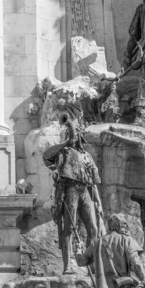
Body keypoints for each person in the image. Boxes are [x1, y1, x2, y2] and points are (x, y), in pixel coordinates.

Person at [43, 113, 105, 275]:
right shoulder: (62, 152)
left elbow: (94, 182)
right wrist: (64, 143)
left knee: (93, 228)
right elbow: (46, 156)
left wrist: (98, 203)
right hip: (69, 190)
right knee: (69, 228)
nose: (75, 135)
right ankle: (67, 266)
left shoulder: (86, 156)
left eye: (77, 133)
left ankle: (91, 262)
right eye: (73, 132)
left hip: (85, 191)